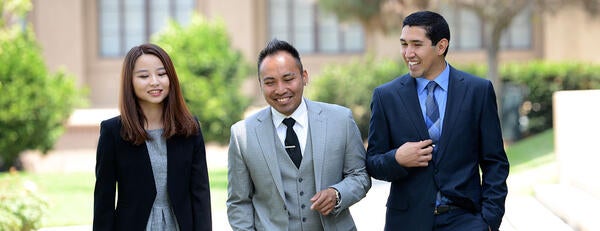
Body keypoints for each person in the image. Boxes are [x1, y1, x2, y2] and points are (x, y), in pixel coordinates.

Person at [366, 11, 509, 231]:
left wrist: (490, 220)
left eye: (416, 44)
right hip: (407, 223)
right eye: (404, 44)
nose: (408, 53)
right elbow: (373, 163)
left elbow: (495, 163)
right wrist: (397, 158)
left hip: (466, 221)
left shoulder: (477, 91)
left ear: (441, 46)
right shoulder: (386, 96)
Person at [227, 38, 371, 230]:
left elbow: (360, 176)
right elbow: (238, 202)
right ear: (260, 84)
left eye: (288, 79)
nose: (280, 89)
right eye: (270, 82)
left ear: (304, 76)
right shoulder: (242, 135)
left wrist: (337, 194)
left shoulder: (340, 120)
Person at [93, 43, 212, 231]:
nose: (154, 82)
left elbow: (200, 194)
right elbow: (104, 201)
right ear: (129, 81)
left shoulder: (189, 129)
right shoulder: (112, 132)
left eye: (162, 74)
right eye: (143, 76)